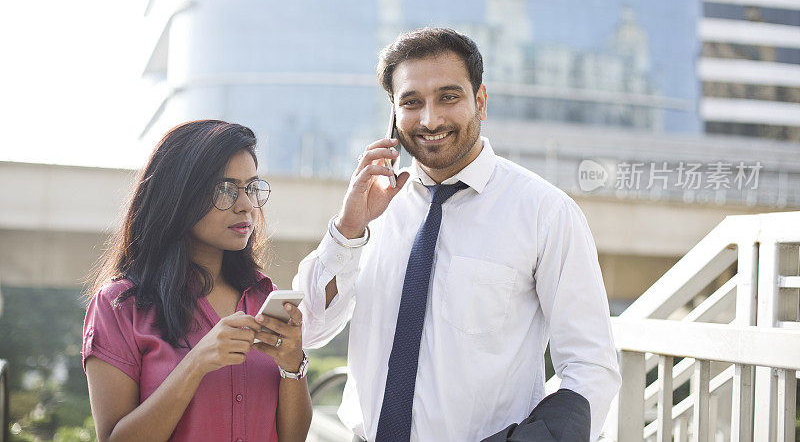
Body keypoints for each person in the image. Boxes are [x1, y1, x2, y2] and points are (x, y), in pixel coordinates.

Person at [294, 28, 621, 441]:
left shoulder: (545, 213)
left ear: (480, 101)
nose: (430, 119)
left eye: (449, 97)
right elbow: (309, 327)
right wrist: (348, 230)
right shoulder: (371, 208)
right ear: (394, 113)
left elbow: (591, 367)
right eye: (412, 102)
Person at [83, 120, 312, 442]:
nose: (246, 205)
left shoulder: (265, 297)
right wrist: (196, 363)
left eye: (250, 187)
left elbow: (293, 438)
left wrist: (292, 365)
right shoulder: (119, 307)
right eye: (225, 189)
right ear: (178, 195)